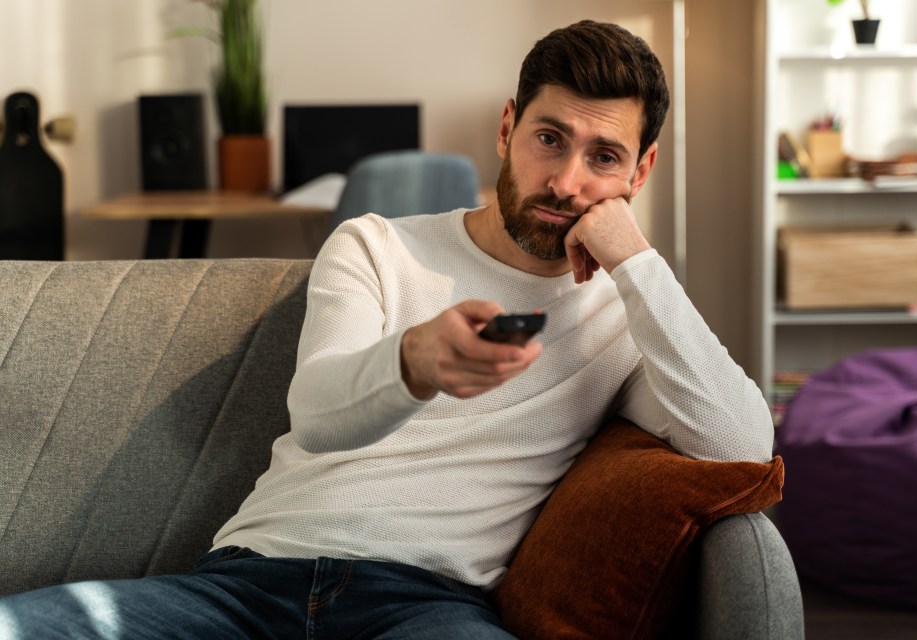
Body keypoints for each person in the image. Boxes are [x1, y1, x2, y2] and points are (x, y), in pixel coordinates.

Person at [0, 19, 773, 639]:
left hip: (426, 606)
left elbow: (741, 443)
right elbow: (319, 412)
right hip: (246, 583)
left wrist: (635, 260)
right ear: (507, 128)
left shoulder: (627, 319)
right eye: (549, 138)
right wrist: (415, 360)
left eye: (603, 156)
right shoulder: (377, 244)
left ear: (639, 173)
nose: (567, 182)